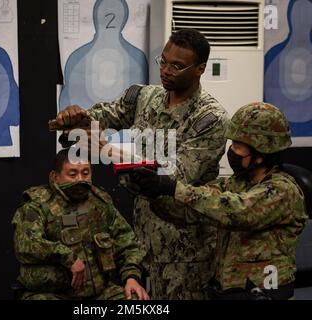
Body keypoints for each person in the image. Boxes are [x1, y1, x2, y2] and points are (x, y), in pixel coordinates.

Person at [55, 29, 228, 299]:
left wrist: (107, 150)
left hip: (185, 252)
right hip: (143, 242)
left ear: (200, 69)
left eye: (177, 66)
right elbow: (106, 114)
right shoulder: (146, 97)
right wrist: (77, 117)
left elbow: (171, 175)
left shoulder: (210, 119)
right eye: (164, 61)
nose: (167, 70)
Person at [132, 102, 308, 300]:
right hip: (228, 292)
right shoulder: (236, 184)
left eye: (238, 147)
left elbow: (237, 211)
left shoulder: (283, 191)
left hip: (265, 292)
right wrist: (152, 191)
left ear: (260, 154)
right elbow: (190, 210)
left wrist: (173, 187)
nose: (231, 151)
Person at [12, 148, 149, 300]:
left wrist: (131, 278)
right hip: (53, 294)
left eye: (85, 173)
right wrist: (68, 257)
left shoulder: (100, 204)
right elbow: (27, 245)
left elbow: (126, 243)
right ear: (55, 177)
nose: (80, 179)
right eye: (72, 174)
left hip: (100, 293)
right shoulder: (37, 206)